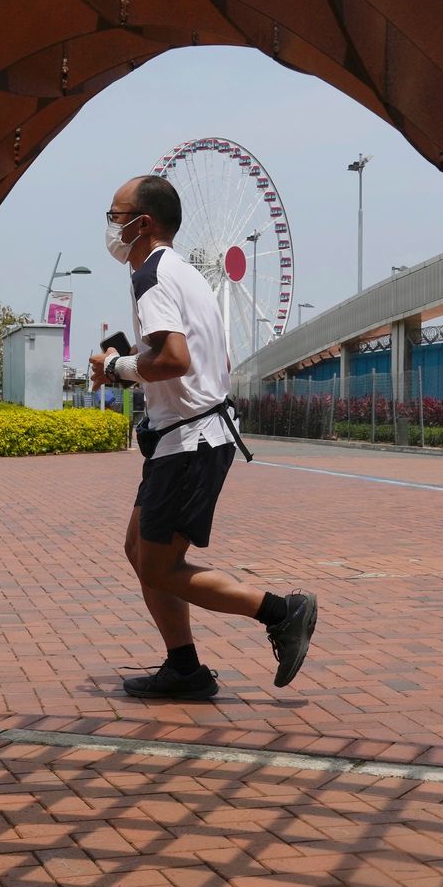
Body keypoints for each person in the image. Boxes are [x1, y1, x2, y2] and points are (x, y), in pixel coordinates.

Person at [90, 175, 317, 699]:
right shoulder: (184, 273)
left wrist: (118, 365)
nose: (110, 226)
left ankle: (282, 611)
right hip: (190, 435)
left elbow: (174, 359)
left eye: (115, 215)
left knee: (159, 567)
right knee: (139, 551)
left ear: (142, 223)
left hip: (191, 442)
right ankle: (184, 668)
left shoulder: (151, 276)